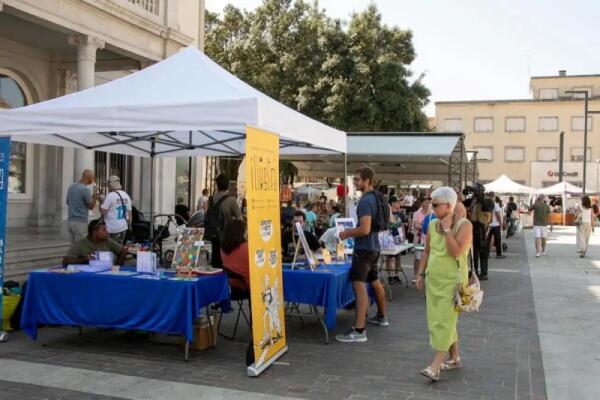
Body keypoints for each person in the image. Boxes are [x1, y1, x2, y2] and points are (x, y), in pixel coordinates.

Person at [415, 187, 473, 382]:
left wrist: (447, 230)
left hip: (453, 282)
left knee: (445, 321)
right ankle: (454, 357)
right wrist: (420, 273)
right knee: (437, 320)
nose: (431, 208)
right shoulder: (433, 224)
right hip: (434, 280)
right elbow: (427, 251)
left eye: (435, 205)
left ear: (448, 206)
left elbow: (456, 251)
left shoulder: (464, 225)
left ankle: (435, 365)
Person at [336, 167, 389, 343]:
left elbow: (364, 229)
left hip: (364, 249)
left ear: (367, 181)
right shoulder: (376, 197)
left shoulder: (366, 201)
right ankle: (382, 316)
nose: (355, 182)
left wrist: (346, 233)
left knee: (358, 286)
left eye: (357, 179)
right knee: (374, 281)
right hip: (374, 248)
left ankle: (359, 330)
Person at [206, 174, 243, 268]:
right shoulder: (232, 200)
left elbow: (206, 215)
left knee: (215, 258)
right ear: (228, 185)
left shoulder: (210, 199)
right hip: (226, 236)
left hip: (213, 233)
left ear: (217, 185)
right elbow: (240, 219)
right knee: (225, 262)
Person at [62, 219, 127, 266]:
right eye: (104, 230)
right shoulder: (81, 244)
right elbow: (65, 261)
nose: (107, 232)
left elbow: (123, 251)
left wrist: (118, 267)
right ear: (94, 232)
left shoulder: (107, 241)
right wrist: (83, 260)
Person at [66, 169, 98, 244]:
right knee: (81, 247)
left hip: (70, 221)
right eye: (92, 178)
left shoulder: (71, 186)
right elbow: (91, 206)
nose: (93, 180)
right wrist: (95, 194)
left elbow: (67, 202)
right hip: (80, 222)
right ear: (89, 178)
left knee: (73, 247)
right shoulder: (85, 189)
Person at [100, 176, 132, 244]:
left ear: (111, 184)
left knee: (109, 248)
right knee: (119, 248)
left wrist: (101, 201)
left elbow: (103, 212)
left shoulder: (110, 195)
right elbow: (129, 214)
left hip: (112, 228)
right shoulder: (126, 195)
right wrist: (129, 225)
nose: (108, 187)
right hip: (123, 227)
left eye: (108, 185)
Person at [220, 219, 250, 290]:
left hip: (232, 285)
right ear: (241, 232)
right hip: (249, 285)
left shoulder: (222, 249)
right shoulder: (247, 247)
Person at [412, 196, 432, 284]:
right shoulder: (417, 213)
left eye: (429, 202)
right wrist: (427, 227)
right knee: (417, 258)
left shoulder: (432, 213)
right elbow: (416, 225)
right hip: (419, 239)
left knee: (428, 258)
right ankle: (416, 275)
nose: (428, 204)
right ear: (422, 203)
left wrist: (425, 227)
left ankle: (426, 275)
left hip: (429, 239)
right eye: (426, 202)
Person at [486, 193, 505, 259]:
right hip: (496, 225)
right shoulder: (495, 205)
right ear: (493, 197)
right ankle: (498, 254)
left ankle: (487, 254)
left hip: (488, 225)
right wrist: (501, 223)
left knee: (488, 240)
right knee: (498, 240)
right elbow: (498, 215)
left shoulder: (486, 204)